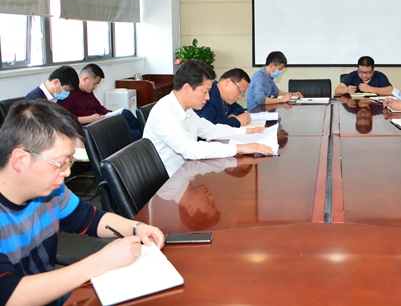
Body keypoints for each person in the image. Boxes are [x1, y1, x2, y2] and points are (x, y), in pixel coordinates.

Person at [0, 99, 165, 306]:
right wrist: (102, 261)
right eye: (60, 163)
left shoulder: (51, 191)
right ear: (20, 160)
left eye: (69, 162)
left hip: (53, 295)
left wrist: (136, 227)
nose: (67, 172)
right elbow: (9, 295)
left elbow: (91, 218)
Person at [144, 60, 273, 177]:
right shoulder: (164, 113)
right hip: (168, 185)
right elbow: (191, 149)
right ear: (187, 88)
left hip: (185, 174)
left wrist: (246, 132)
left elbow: (210, 130)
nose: (208, 97)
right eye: (205, 92)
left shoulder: (187, 109)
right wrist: (240, 148)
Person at [62, 63, 142, 140]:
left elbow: (99, 107)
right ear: (85, 79)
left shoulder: (88, 91)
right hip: (91, 128)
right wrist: (90, 119)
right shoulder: (69, 93)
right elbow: (68, 119)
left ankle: (145, 135)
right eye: (95, 84)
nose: (95, 87)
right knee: (136, 134)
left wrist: (109, 113)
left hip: (100, 122)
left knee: (126, 113)